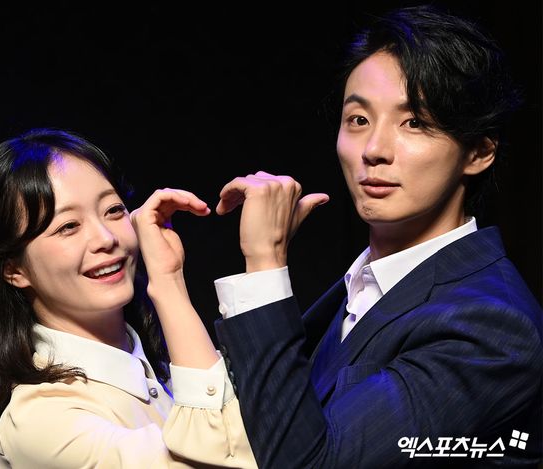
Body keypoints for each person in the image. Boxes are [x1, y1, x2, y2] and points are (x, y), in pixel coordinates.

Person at [212, 5, 542, 469]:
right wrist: (166, 282)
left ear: (478, 152)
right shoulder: (360, 286)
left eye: (415, 122)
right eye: (358, 120)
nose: (373, 150)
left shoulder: (493, 326)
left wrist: (265, 262)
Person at [0, 128, 257, 468]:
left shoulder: (164, 368)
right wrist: (169, 283)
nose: (105, 238)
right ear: (14, 269)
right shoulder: (39, 422)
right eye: (68, 226)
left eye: (113, 210)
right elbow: (225, 456)